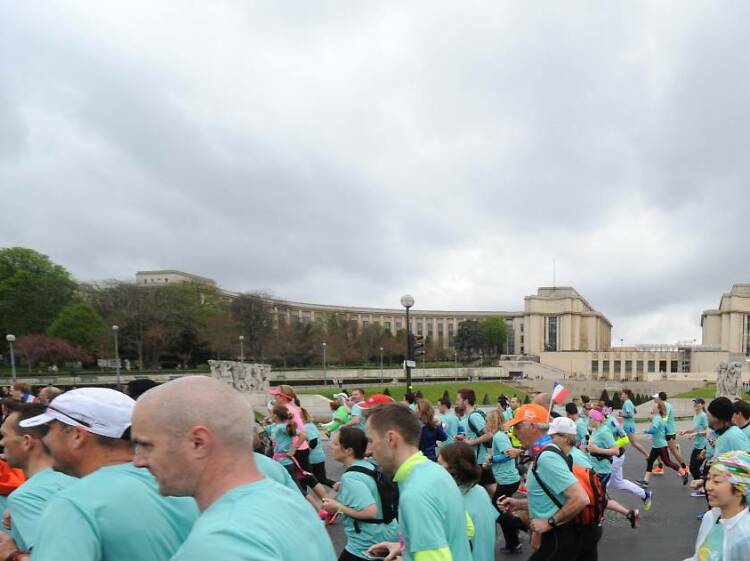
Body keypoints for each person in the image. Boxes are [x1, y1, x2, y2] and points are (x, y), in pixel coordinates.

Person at [131, 376, 336, 561]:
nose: (137, 461)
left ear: (198, 443)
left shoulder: (220, 544)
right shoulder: (291, 502)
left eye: (147, 445)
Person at [0, 387, 199, 561]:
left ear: (77, 436)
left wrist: (12, 555)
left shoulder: (75, 503)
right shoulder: (180, 488)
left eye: (49, 429)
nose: (46, 439)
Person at [366, 402, 472, 561]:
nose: (368, 451)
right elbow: (467, 529)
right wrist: (407, 547)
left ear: (391, 439)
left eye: (371, 441)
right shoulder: (435, 471)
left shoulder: (415, 493)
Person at [500, 404, 589, 561]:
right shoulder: (545, 452)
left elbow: (580, 498)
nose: (514, 433)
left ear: (532, 427)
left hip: (558, 536)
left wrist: (549, 523)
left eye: (518, 427)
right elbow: (551, 498)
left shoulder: (547, 456)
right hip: (555, 537)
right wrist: (518, 503)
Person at [0, 401, 75, 552]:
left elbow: (57, 555)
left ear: (27, 442)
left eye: (4, 435)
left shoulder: (26, 496)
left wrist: (12, 555)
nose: (2, 442)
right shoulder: (82, 477)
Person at [322, 427, 398, 561]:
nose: (330, 446)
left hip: (367, 543)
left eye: (335, 443)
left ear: (348, 450)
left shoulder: (351, 477)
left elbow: (370, 511)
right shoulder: (369, 466)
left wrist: (338, 507)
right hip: (387, 533)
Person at [683, 451, 750, 561]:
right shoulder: (710, 517)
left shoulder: (746, 536)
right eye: (708, 479)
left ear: (739, 490)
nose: (708, 487)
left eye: (717, 481)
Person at [439, 442, 497, 561]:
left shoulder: (450, 500)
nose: (435, 468)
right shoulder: (480, 491)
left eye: (440, 464)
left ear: (454, 470)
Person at [484, 410, 523, 553]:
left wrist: (491, 459)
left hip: (508, 481)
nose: (485, 424)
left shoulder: (499, 436)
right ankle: (513, 543)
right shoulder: (498, 436)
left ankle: (523, 526)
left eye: (487, 420)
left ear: (493, 422)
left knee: (497, 510)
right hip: (507, 479)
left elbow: (508, 454)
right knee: (502, 510)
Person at [640, 400, 683, 487]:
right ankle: (645, 481)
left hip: (660, 446)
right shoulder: (660, 418)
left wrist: (646, 431)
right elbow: (666, 429)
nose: (652, 407)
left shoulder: (656, 418)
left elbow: (654, 430)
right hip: (657, 445)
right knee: (650, 461)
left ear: (658, 409)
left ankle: (683, 472)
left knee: (668, 463)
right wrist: (661, 433)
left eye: (654, 406)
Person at [679, 398, 710, 494]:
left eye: (697, 403)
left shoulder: (703, 416)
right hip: (697, 445)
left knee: (693, 467)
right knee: (693, 467)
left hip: (703, 446)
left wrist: (695, 434)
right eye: (694, 403)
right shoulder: (696, 416)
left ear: (702, 405)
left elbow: (707, 431)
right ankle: (702, 483)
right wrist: (686, 431)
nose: (695, 405)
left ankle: (702, 487)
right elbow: (695, 428)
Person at [657, 392, 689, 476]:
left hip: (668, 432)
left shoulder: (665, 405)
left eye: (657, 398)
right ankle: (659, 467)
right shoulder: (665, 404)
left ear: (660, 398)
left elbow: (665, 418)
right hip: (666, 431)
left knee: (673, 450)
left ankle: (685, 468)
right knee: (657, 448)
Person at [303, 407, 336, 488]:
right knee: (319, 479)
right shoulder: (310, 425)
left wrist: (304, 451)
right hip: (317, 457)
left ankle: (339, 486)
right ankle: (338, 486)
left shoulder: (307, 426)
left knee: (311, 479)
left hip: (313, 458)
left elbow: (313, 442)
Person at [620, 390, 648, 458]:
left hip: (628, 426)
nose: (621, 395)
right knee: (619, 440)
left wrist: (621, 414)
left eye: (622, 394)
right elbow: (635, 411)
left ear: (626, 395)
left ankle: (648, 456)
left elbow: (630, 415)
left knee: (634, 443)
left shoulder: (626, 403)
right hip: (630, 425)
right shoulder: (630, 402)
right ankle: (616, 455)